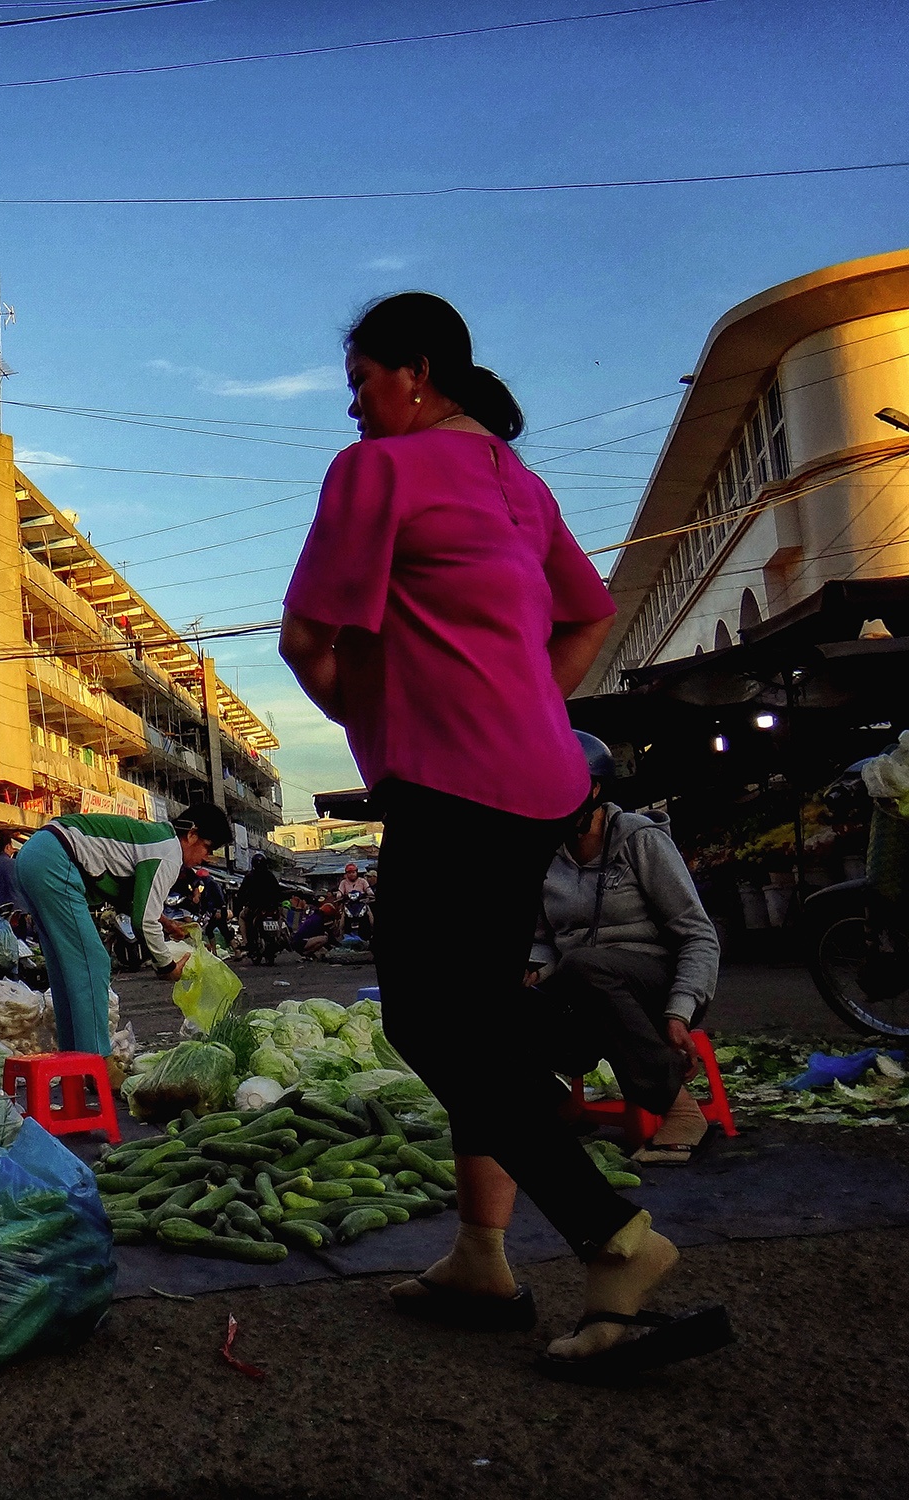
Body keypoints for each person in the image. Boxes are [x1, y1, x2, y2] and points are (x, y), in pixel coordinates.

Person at [280, 291, 727, 1381]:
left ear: (414, 371)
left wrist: (373, 713)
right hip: (536, 779)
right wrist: (525, 699)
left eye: (361, 385)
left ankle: (612, 1240)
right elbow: (584, 615)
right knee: (478, 1021)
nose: (352, 410)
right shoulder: (517, 486)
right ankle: (482, 1254)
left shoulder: (375, 472)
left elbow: (304, 640)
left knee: (428, 1024)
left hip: (451, 779)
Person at [531, 731, 721, 1166]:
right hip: (586, 989)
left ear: (594, 790)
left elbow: (697, 935)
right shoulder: (545, 856)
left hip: (654, 984)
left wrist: (680, 1010)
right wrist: (532, 970)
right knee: (489, 997)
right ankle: (563, 1108)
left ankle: (680, 1109)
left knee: (584, 966)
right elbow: (543, 941)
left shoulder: (640, 840)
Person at [14, 802, 232, 1055]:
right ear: (192, 834)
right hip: (56, 860)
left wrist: (166, 922)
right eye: (208, 847)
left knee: (67, 970)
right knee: (92, 962)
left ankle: (74, 1058)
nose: (206, 856)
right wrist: (167, 966)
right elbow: (144, 921)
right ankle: (98, 1061)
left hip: (34, 855)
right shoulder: (169, 851)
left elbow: (136, 903)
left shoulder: (155, 838)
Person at [237, 854, 286, 964]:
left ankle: (245, 941)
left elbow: (242, 893)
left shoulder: (250, 876)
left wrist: (242, 901)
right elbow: (278, 891)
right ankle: (280, 937)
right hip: (271, 908)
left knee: (241, 916)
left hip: (255, 908)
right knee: (281, 918)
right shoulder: (270, 876)